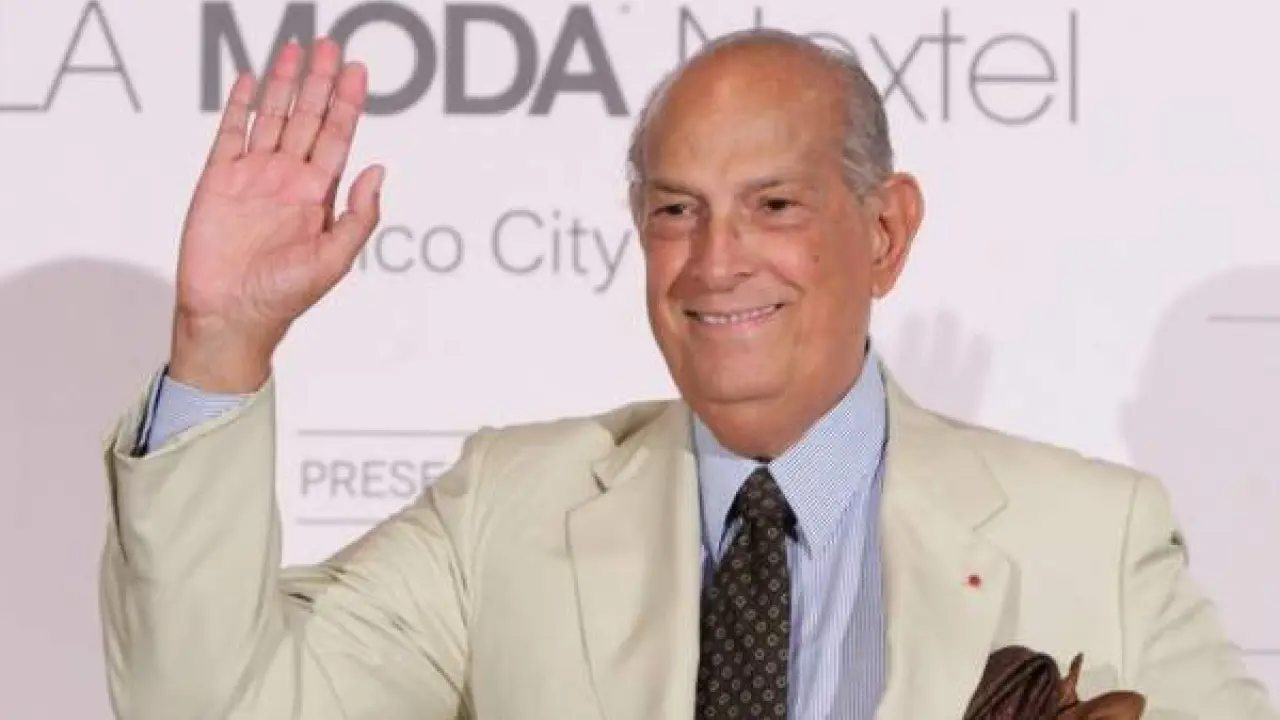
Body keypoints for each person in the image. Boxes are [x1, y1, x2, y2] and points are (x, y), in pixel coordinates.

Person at [98, 29, 1277, 720]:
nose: (715, 262)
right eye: (675, 211)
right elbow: (218, 709)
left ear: (882, 232)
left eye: (773, 206)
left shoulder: (1091, 537)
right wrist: (220, 342)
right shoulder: (504, 510)